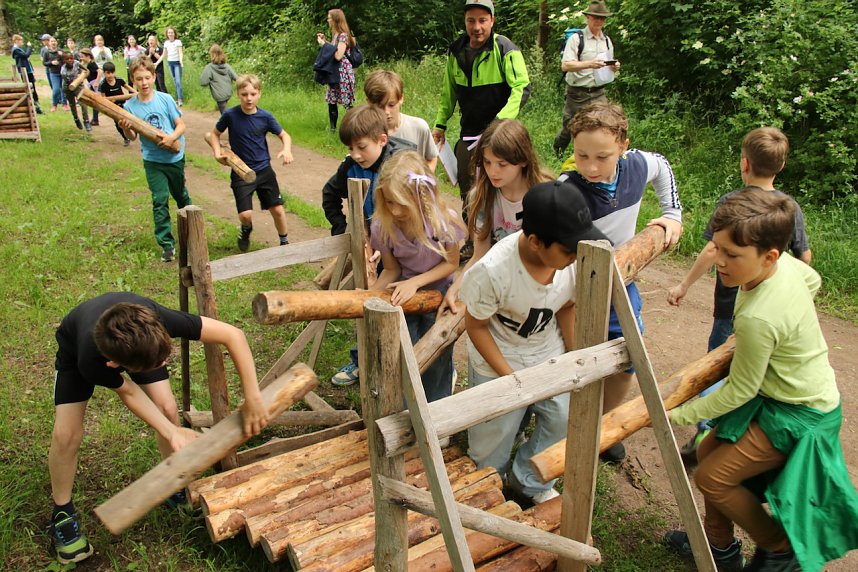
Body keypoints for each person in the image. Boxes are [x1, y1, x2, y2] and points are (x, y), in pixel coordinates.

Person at [665, 188, 858, 572]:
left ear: (768, 256)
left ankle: (779, 546)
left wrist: (682, 413)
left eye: (731, 255)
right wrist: (780, 337)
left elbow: (741, 390)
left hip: (800, 411)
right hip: (781, 396)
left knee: (713, 478)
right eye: (717, 248)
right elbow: (814, 279)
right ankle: (718, 548)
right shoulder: (785, 265)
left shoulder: (760, 318)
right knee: (706, 453)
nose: (719, 260)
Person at [47, 292, 270, 564]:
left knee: (166, 408)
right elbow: (129, 392)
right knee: (67, 435)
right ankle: (62, 512)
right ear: (115, 365)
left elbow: (233, 334)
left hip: (135, 335)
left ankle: (171, 485)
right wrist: (171, 432)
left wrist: (254, 397)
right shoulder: (91, 361)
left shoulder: (157, 320)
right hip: (76, 348)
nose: (163, 367)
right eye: (157, 365)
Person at [667, 127, 812, 460]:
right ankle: (735, 432)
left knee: (716, 366)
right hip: (772, 305)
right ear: (782, 164)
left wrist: (684, 285)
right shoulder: (789, 207)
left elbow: (709, 251)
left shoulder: (732, 204)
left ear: (744, 164)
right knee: (755, 371)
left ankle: (705, 435)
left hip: (729, 306)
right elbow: (804, 257)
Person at [460, 180, 607, 505]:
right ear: (536, 241)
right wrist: (511, 379)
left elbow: (566, 305)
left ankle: (528, 480)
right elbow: (477, 326)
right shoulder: (493, 272)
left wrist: (574, 356)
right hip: (499, 356)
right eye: (568, 248)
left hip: (546, 350)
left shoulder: (570, 262)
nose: (576, 254)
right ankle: (488, 485)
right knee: (492, 439)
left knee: (561, 419)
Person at [557, 100, 682, 462]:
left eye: (602, 157)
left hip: (621, 286)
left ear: (624, 147)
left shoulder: (639, 165)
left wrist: (671, 214)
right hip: (572, 293)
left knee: (628, 354)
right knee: (574, 357)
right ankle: (566, 426)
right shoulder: (568, 189)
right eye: (582, 156)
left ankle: (602, 426)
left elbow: (664, 168)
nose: (591, 167)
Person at [322, 105, 415, 385]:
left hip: (408, 249)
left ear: (382, 140)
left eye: (361, 147)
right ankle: (360, 359)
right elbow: (330, 194)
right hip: (373, 246)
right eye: (351, 148)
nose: (356, 154)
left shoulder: (402, 162)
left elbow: (418, 206)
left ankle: (424, 364)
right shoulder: (350, 165)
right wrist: (346, 233)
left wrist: (389, 240)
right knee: (368, 299)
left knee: (409, 308)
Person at [432, 0, 531, 260]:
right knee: (468, 187)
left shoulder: (505, 48)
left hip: (501, 135)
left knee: (503, 183)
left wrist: (499, 123)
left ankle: (509, 239)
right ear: (465, 22)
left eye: (482, 20)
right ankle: (473, 239)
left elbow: (521, 87)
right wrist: (440, 124)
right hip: (469, 133)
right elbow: (448, 93)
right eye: (471, 21)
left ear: (492, 21)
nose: (476, 27)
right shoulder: (456, 51)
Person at [369, 150, 465, 401]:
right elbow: (391, 269)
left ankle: (437, 410)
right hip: (403, 293)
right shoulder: (382, 225)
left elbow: (451, 264)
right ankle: (407, 409)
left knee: (437, 354)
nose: (396, 210)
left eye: (402, 203)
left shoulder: (443, 221)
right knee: (405, 352)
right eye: (389, 202)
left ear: (421, 197)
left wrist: (416, 282)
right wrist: (371, 295)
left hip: (440, 293)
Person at [441, 118, 552, 313]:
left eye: (502, 164)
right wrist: (456, 287)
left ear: (523, 160)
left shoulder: (545, 193)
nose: (493, 171)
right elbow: (480, 253)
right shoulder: (483, 195)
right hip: (504, 285)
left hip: (542, 287)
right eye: (487, 162)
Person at [209, 73, 293, 251]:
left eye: (253, 94)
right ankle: (246, 228)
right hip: (241, 171)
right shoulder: (230, 115)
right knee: (245, 215)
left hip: (264, 170)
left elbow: (284, 135)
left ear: (259, 93)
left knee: (277, 210)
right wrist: (217, 153)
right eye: (244, 94)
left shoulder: (265, 117)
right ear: (238, 94)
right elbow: (214, 134)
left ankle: (284, 242)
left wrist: (286, 149)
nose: (248, 98)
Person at [120, 57, 192, 262]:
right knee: (159, 199)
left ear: (153, 77)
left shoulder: (165, 99)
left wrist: (171, 138)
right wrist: (126, 127)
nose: (143, 83)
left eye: (147, 78)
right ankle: (167, 244)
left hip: (174, 155)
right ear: (133, 80)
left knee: (181, 196)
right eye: (139, 79)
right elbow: (132, 137)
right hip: (152, 160)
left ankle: (193, 231)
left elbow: (181, 125)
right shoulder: (130, 106)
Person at [552, 1, 620, 158]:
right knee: (570, 126)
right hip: (577, 93)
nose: (599, 21)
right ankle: (559, 150)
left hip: (598, 92)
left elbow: (608, 63)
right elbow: (566, 65)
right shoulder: (577, 39)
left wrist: (614, 66)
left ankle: (593, 154)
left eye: (602, 18)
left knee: (602, 125)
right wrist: (590, 64)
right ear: (588, 17)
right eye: (596, 18)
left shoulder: (607, 41)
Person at [364, 70, 438, 172]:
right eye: (380, 106)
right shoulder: (364, 131)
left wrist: (423, 181)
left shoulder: (419, 127)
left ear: (401, 98)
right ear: (369, 103)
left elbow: (432, 158)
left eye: (391, 105)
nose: (386, 112)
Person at [315, 8, 357, 132]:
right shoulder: (336, 35)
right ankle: (333, 129)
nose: (328, 20)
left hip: (343, 74)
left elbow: (338, 55)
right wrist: (326, 41)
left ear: (335, 20)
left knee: (346, 102)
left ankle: (354, 128)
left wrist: (324, 45)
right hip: (335, 72)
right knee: (332, 100)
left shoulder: (343, 36)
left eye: (329, 18)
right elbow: (333, 50)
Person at [99, 61, 137, 146]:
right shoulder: (103, 84)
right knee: (119, 123)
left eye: (112, 72)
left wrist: (136, 93)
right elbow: (103, 98)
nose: (110, 75)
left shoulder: (119, 80)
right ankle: (125, 138)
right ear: (104, 73)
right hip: (113, 107)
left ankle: (134, 132)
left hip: (124, 104)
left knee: (130, 118)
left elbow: (128, 87)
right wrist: (109, 102)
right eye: (108, 73)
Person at [200, 43, 238, 114]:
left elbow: (203, 82)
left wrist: (210, 80)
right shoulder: (227, 66)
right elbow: (236, 77)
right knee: (224, 111)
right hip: (228, 93)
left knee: (224, 115)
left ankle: (231, 123)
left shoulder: (209, 67)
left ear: (212, 54)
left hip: (219, 95)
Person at [11, 34, 43, 114]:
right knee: (29, 86)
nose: (22, 42)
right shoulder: (15, 50)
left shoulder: (18, 49)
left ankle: (36, 101)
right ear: (16, 41)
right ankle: (34, 103)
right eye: (21, 40)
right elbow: (26, 55)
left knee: (33, 85)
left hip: (28, 70)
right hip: (24, 71)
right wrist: (29, 47)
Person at [59, 51, 91, 131]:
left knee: (83, 103)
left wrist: (83, 76)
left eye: (71, 58)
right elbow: (71, 83)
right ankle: (76, 118)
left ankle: (86, 121)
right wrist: (77, 78)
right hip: (68, 87)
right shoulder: (63, 71)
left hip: (78, 86)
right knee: (72, 104)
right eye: (67, 59)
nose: (70, 60)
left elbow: (86, 71)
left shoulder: (77, 63)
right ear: (64, 61)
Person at [42, 37, 67, 111]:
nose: (53, 43)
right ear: (49, 43)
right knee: (56, 89)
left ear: (56, 42)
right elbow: (44, 63)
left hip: (62, 73)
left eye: (54, 41)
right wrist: (51, 63)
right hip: (53, 73)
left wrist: (62, 55)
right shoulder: (47, 52)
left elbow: (66, 61)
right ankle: (54, 105)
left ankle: (64, 104)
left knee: (63, 89)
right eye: (51, 41)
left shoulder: (61, 51)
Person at [163, 26, 184, 106]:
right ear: (167, 34)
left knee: (178, 81)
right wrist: (156, 63)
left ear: (174, 33)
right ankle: (178, 97)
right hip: (170, 63)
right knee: (175, 81)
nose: (170, 34)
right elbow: (164, 55)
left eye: (172, 32)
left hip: (177, 63)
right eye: (169, 33)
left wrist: (181, 61)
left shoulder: (178, 42)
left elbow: (180, 52)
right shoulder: (166, 43)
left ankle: (180, 99)